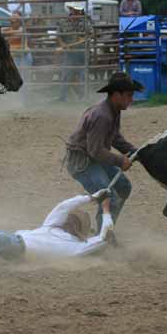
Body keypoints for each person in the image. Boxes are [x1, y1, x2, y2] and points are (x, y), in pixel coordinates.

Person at [0, 189, 115, 261]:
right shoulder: (56, 230)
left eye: (74, 219)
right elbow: (65, 206)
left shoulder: (79, 247)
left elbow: (105, 238)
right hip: (10, 245)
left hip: (12, 243)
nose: (69, 219)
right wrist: (91, 197)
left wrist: (106, 210)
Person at [65, 72, 143, 235]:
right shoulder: (102, 116)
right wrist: (120, 160)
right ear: (116, 94)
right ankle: (104, 236)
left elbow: (114, 137)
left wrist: (135, 152)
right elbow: (95, 150)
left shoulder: (113, 110)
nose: (132, 99)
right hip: (83, 163)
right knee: (110, 197)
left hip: (94, 158)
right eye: (129, 95)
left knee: (123, 187)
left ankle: (105, 230)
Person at [57, 2, 92, 101]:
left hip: (82, 52)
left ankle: (82, 97)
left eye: (78, 11)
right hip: (69, 52)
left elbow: (91, 34)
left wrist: (84, 38)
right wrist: (62, 44)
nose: (76, 12)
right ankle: (62, 97)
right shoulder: (63, 21)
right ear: (71, 10)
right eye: (75, 10)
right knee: (66, 75)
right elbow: (58, 35)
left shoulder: (85, 21)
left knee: (82, 76)